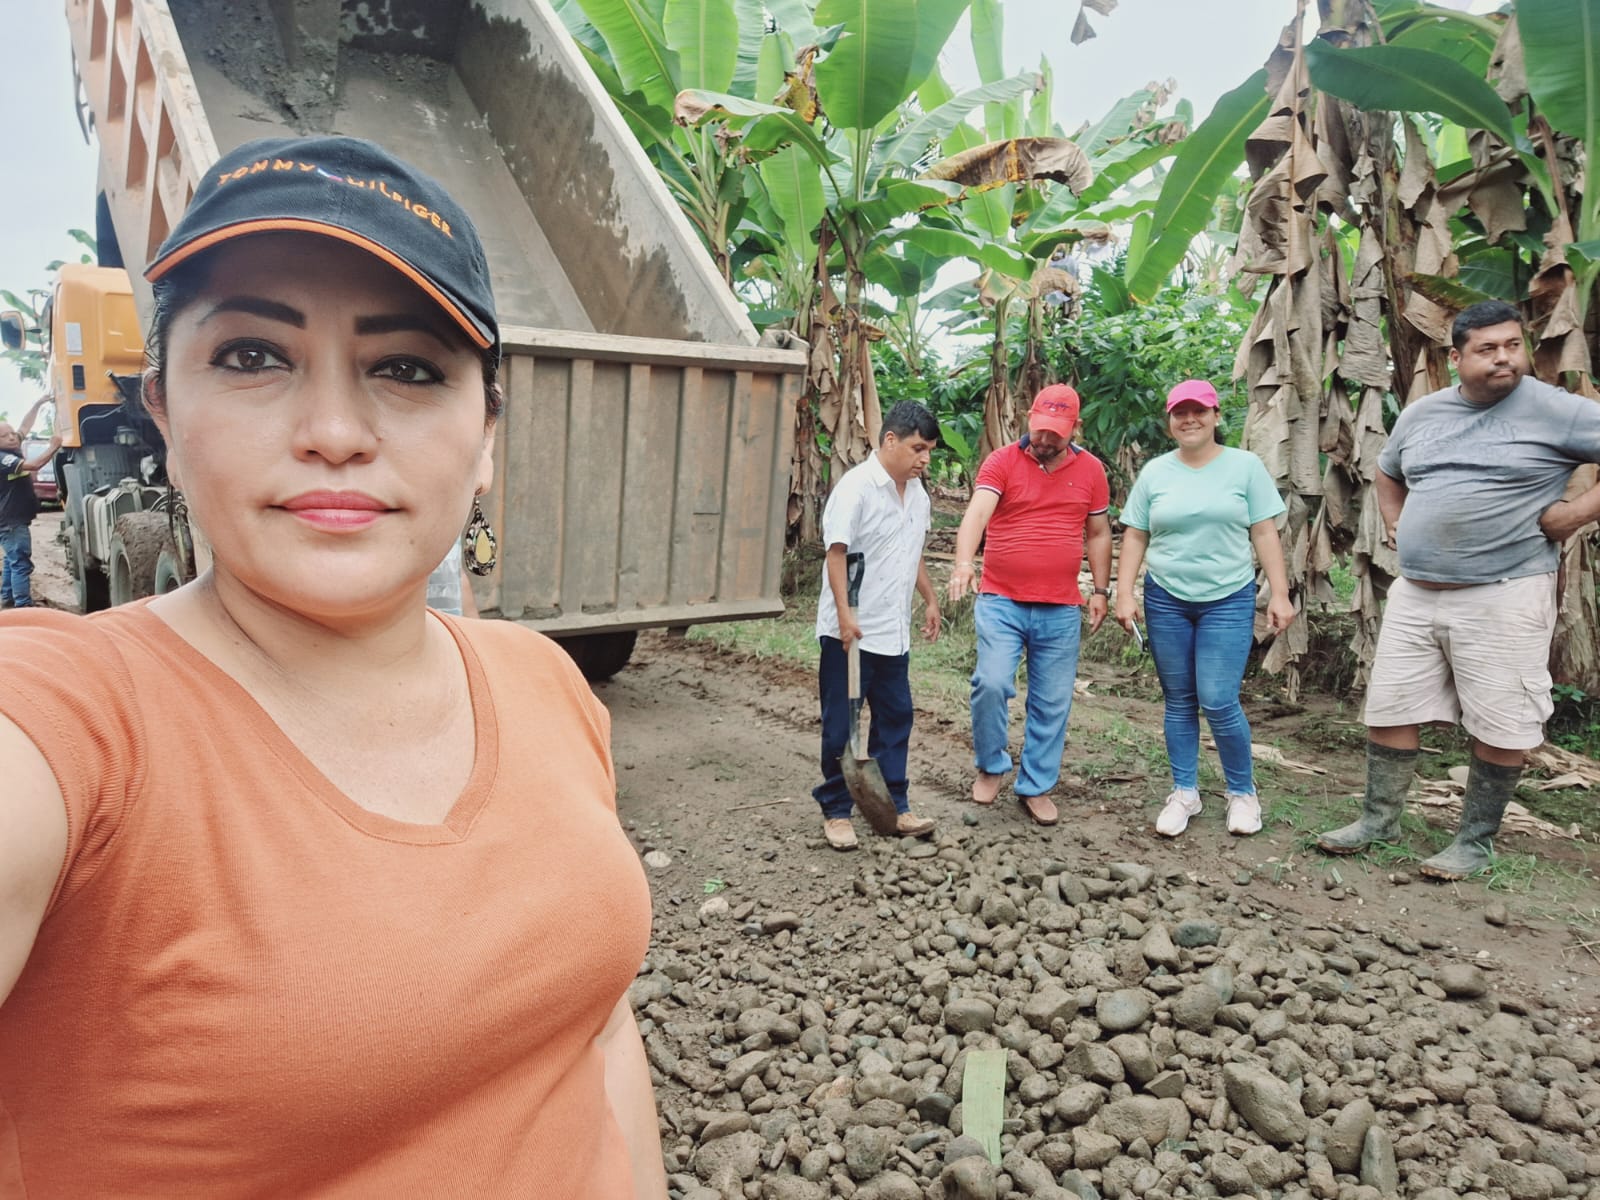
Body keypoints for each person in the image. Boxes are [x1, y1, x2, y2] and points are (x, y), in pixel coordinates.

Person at [0, 135, 666, 1197]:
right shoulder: (73, 722)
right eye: (252, 356)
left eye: (406, 368)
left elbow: (596, 1031)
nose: (334, 431)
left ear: (487, 436)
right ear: (162, 411)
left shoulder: (544, 684)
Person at [1317, 300, 1600, 880]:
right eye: (1487, 349)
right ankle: (1379, 820)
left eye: (1513, 345)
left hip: (1506, 588)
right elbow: (1388, 470)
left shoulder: (1557, 409)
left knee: (1502, 718)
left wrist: (1574, 515)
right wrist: (1395, 520)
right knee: (1391, 706)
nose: (1504, 358)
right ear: (1455, 357)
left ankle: (1474, 841)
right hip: (1417, 590)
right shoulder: (1424, 413)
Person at [1114, 379, 1295, 838]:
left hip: (1227, 598)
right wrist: (1124, 592)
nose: (1189, 419)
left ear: (1216, 416)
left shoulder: (1244, 467)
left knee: (1217, 698)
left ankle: (1242, 793)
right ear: (1169, 422)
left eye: (1199, 411)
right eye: (1180, 412)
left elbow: (1264, 532)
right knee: (1178, 700)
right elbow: (1136, 534)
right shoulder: (1155, 472)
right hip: (1166, 597)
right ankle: (1185, 792)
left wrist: (1279, 592)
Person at [946, 384, 1112, 826]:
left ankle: (1036, 785)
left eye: (1056, 432)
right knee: (991, 683)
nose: (1045, 438)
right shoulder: (1002, 461)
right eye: (1040, 428)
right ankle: (991, 765)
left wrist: (1100, 590)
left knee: (1052, 702)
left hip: (1060, 607)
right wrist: (963, 563)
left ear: (1075, 428)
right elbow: (977, 514)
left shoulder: (1091, 470)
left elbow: (1098, 533)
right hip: (1001, 599)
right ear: (1028, 417)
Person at [814, 401, 942, 850]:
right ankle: (835, 811)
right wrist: (845, 615)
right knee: (842, 724)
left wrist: (929, 598)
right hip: (850, 633)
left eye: (929, 451)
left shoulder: (918, 495)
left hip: (893, 631)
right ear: (890, 440)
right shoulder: (857, 489)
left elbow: (912, 551)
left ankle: (895, 806)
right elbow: (836, 554)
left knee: (895, 717)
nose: (924, 459)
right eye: (918, 448)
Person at [0, 399, 62, 609]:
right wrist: (53, 447)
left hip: (13, 520)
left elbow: (25, 426)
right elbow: (34, 465)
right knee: (21, 563)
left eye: (12, 433)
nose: (12, 437)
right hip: (11, 522)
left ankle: (8, 598)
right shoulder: (3, 458)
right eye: (5, 436)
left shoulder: (11, 445)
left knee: (12, 560)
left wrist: (38, 404)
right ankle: (23, 606)